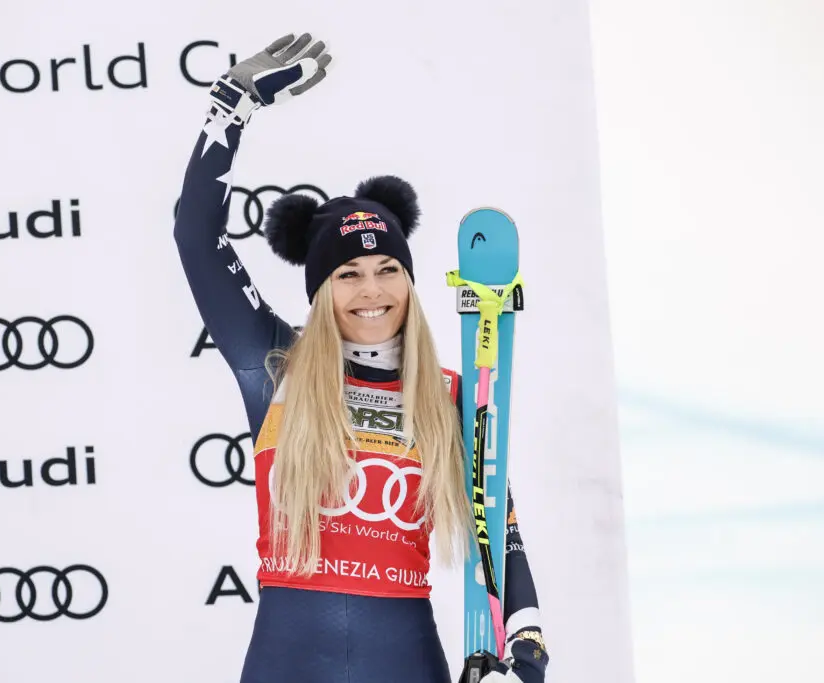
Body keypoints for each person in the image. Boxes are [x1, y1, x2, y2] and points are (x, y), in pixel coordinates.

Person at [173, 32, 549, 683]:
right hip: (287, 661)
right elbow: (195, 234)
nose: (372, 289)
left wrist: (525, 633)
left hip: (404, 658)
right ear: (320, 292)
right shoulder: (274, 368)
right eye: (348, 274)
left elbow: (497, 522)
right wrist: (231, 105)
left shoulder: (448, 393)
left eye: (387, 269)